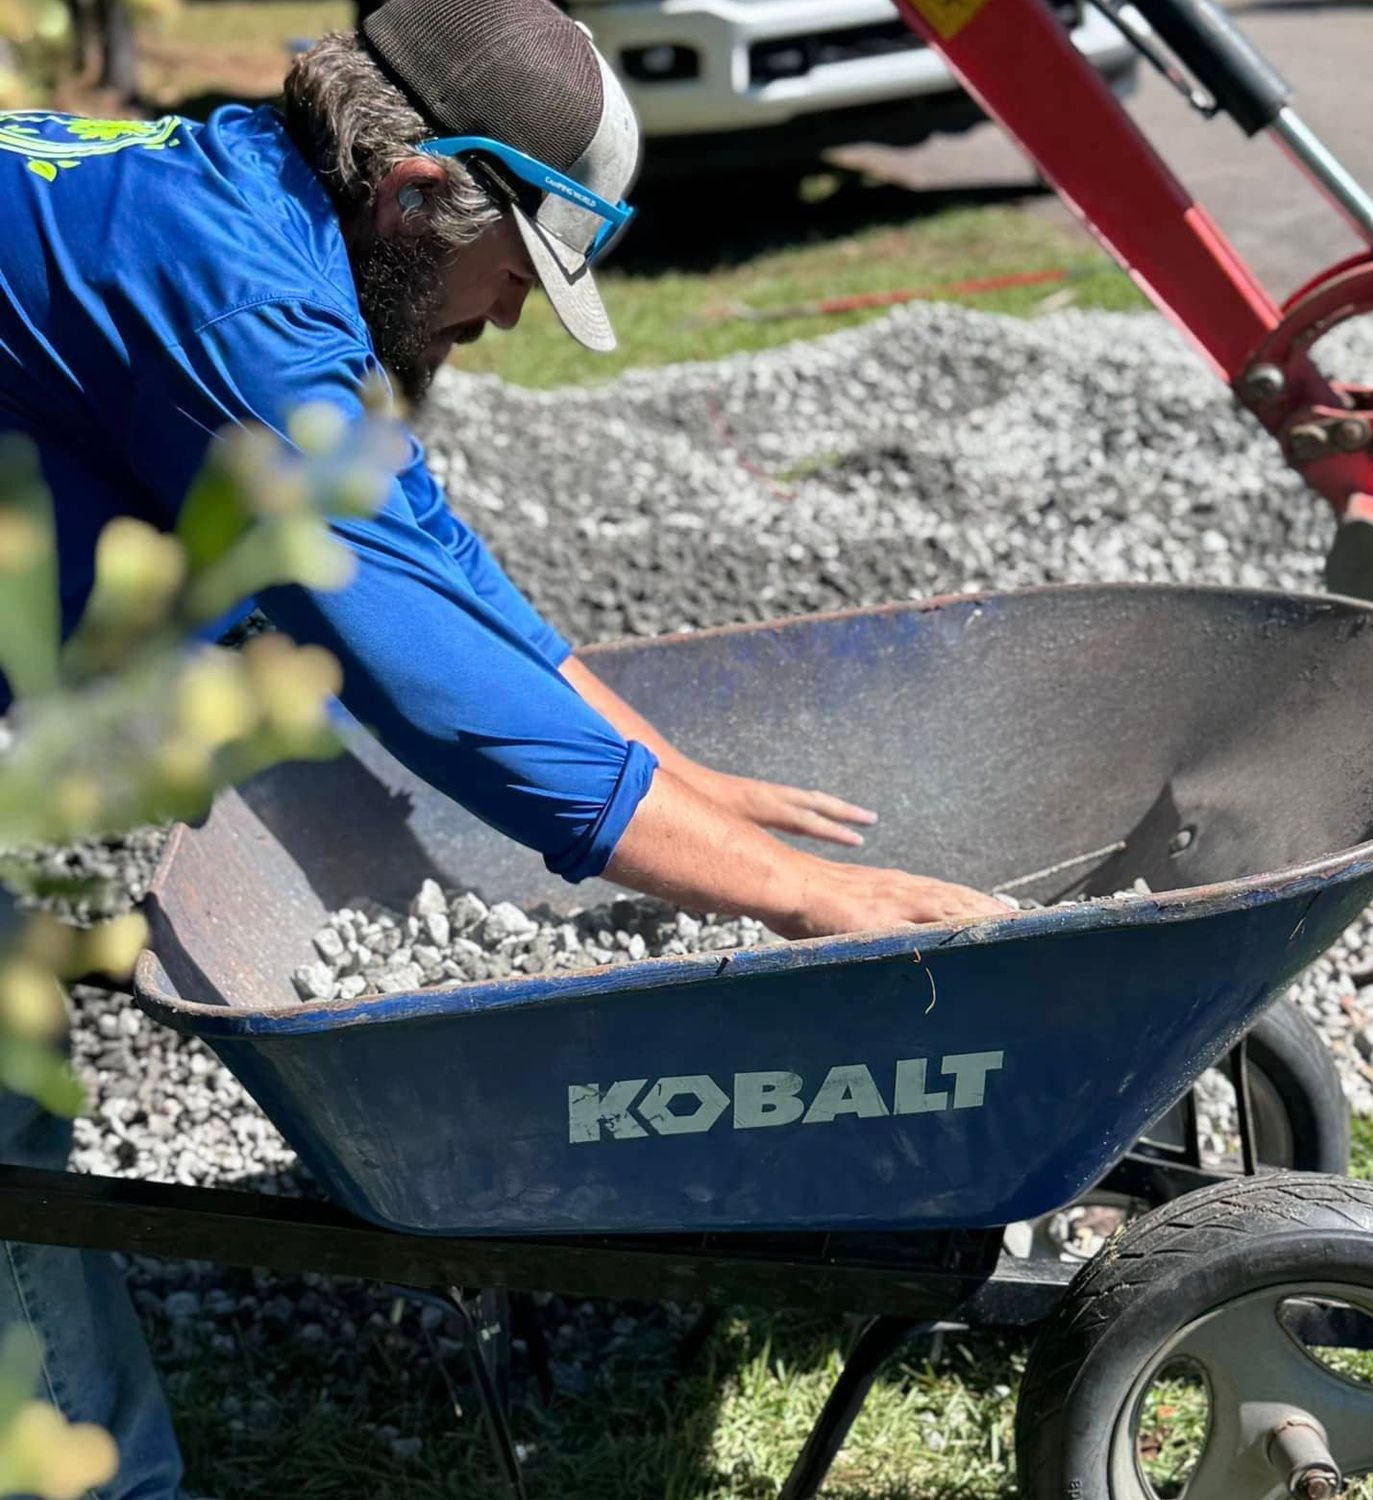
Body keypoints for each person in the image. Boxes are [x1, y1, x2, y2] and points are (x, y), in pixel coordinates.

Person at [0, 0, 1010, 1490]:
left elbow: (414, 540)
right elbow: (411, 671)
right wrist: (805, 898)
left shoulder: (249, 210)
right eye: (519, 269)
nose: (512, 314)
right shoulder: (226, 290)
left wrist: (671, 771)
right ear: (418, 193)